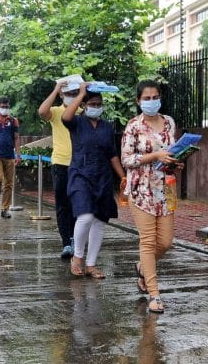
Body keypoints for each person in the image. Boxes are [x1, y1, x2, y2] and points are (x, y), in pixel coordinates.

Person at [121, 80, 183, 313]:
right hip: (141, 189)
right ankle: (154, 294)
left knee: (165, 242)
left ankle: (142, 267)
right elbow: (127, 159)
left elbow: (172, 151)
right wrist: (154, 154)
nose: (151, 101)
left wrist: (176, 162)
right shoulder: (133, 126)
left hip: (165, 188)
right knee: (147, 241)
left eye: (154, 97)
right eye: (146, 98)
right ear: (138, 101)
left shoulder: (169, 122)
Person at [62, 83, 125, 279]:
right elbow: (65, 116)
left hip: (103, 177)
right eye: (92, 103)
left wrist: (123, 177)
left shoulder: (107, 127)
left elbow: (113, 155)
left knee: (99, 221)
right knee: (86, 216)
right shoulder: (77, 122)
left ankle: (91, 264)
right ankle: (77, 257)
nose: (96, 106)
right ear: (84, 105)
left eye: (99, 103)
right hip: (80, 175)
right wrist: (81, 93)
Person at [38, 79, 80, 259]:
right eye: (68, 93)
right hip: (61, 163)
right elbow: (42, 111)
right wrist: (56, 89)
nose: (72, 97)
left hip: (79, 165)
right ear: (62, 94)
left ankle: (76, 239)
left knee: (79, 204)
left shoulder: (82, 112)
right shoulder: (55, 112)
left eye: (74, 93)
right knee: (63, 204)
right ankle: (66, 242)